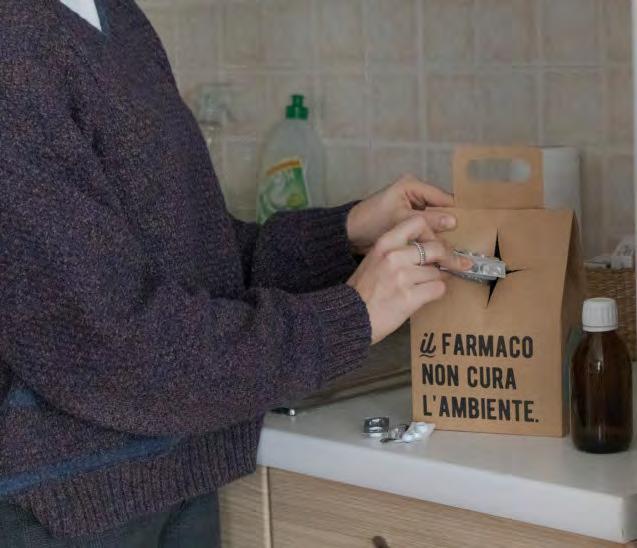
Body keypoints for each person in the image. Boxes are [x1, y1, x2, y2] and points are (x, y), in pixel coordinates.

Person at [0, 0, 471, 546]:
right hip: (62, 511)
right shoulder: (15, 41)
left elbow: (193, 258)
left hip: (175, 472)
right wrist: (347, 317)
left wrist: (343, 233)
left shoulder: (115, 17)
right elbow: (111, 347)